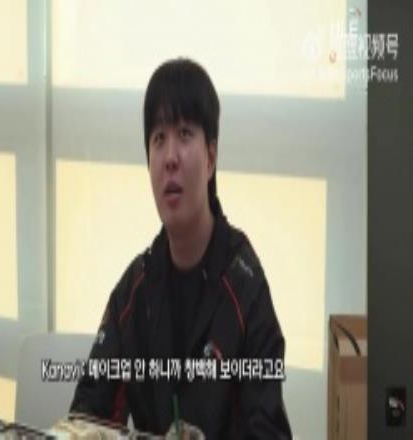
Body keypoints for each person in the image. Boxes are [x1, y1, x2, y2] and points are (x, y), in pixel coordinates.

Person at [70, 58, 292, 439]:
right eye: (159, 139)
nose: (170, 157)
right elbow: (87, 415)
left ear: (211, 157)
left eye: (185, 134)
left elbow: (268, 431)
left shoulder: (245, 288)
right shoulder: (134, 292)